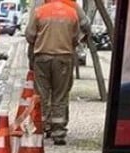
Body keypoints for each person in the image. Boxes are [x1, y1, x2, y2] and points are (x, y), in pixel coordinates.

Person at [25, 0, 88, 145]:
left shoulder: (40, 11)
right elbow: (75, 38)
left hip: (42, 58)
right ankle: (58, 132)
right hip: (64, 59)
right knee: (60, 95)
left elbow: (30, 36)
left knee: (42, 94)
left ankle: (42, 127)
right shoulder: (72, 11)